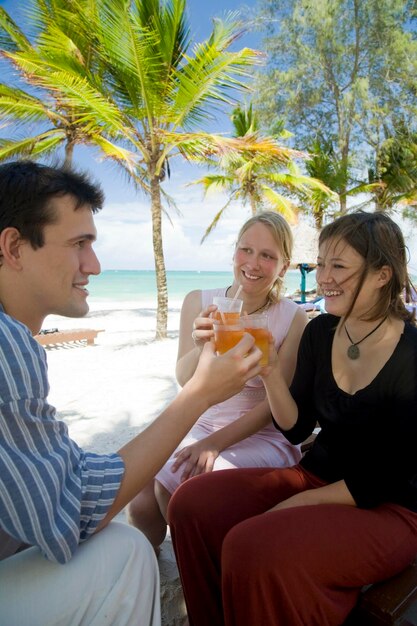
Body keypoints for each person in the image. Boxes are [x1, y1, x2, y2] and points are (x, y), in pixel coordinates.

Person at [0, 160, 264, 626]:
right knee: (126, 552)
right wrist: (199, 395)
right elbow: (70, 510)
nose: (95, 266)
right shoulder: (8, 347)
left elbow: (52, 482)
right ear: (14, 247)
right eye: (79, 244)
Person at [168, 211, 417, 626]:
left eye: (338, 266)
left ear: (381, 275)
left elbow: (380, 480)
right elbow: (298, 427)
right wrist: (269, 374)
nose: (323, 278)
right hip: (315, 475)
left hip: (390, 508)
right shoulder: (322, 333)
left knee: (252, 546)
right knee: (191, 505)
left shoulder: (411, 354)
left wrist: (288, 505)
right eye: (321, 264)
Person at [127, 211, 308, 550]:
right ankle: (147, 570)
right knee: (140, 501)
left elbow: (274, 407)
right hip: (202, 421)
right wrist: (200, 346)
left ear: (283, 267)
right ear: (234, 253)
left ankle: (206, 571)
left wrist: (215, 444)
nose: (253, 263)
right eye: (246, 250)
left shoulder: (293, 319)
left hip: (260, 433)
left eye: (268, 256)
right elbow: (184, 377)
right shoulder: (199, 301)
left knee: (174, 487)